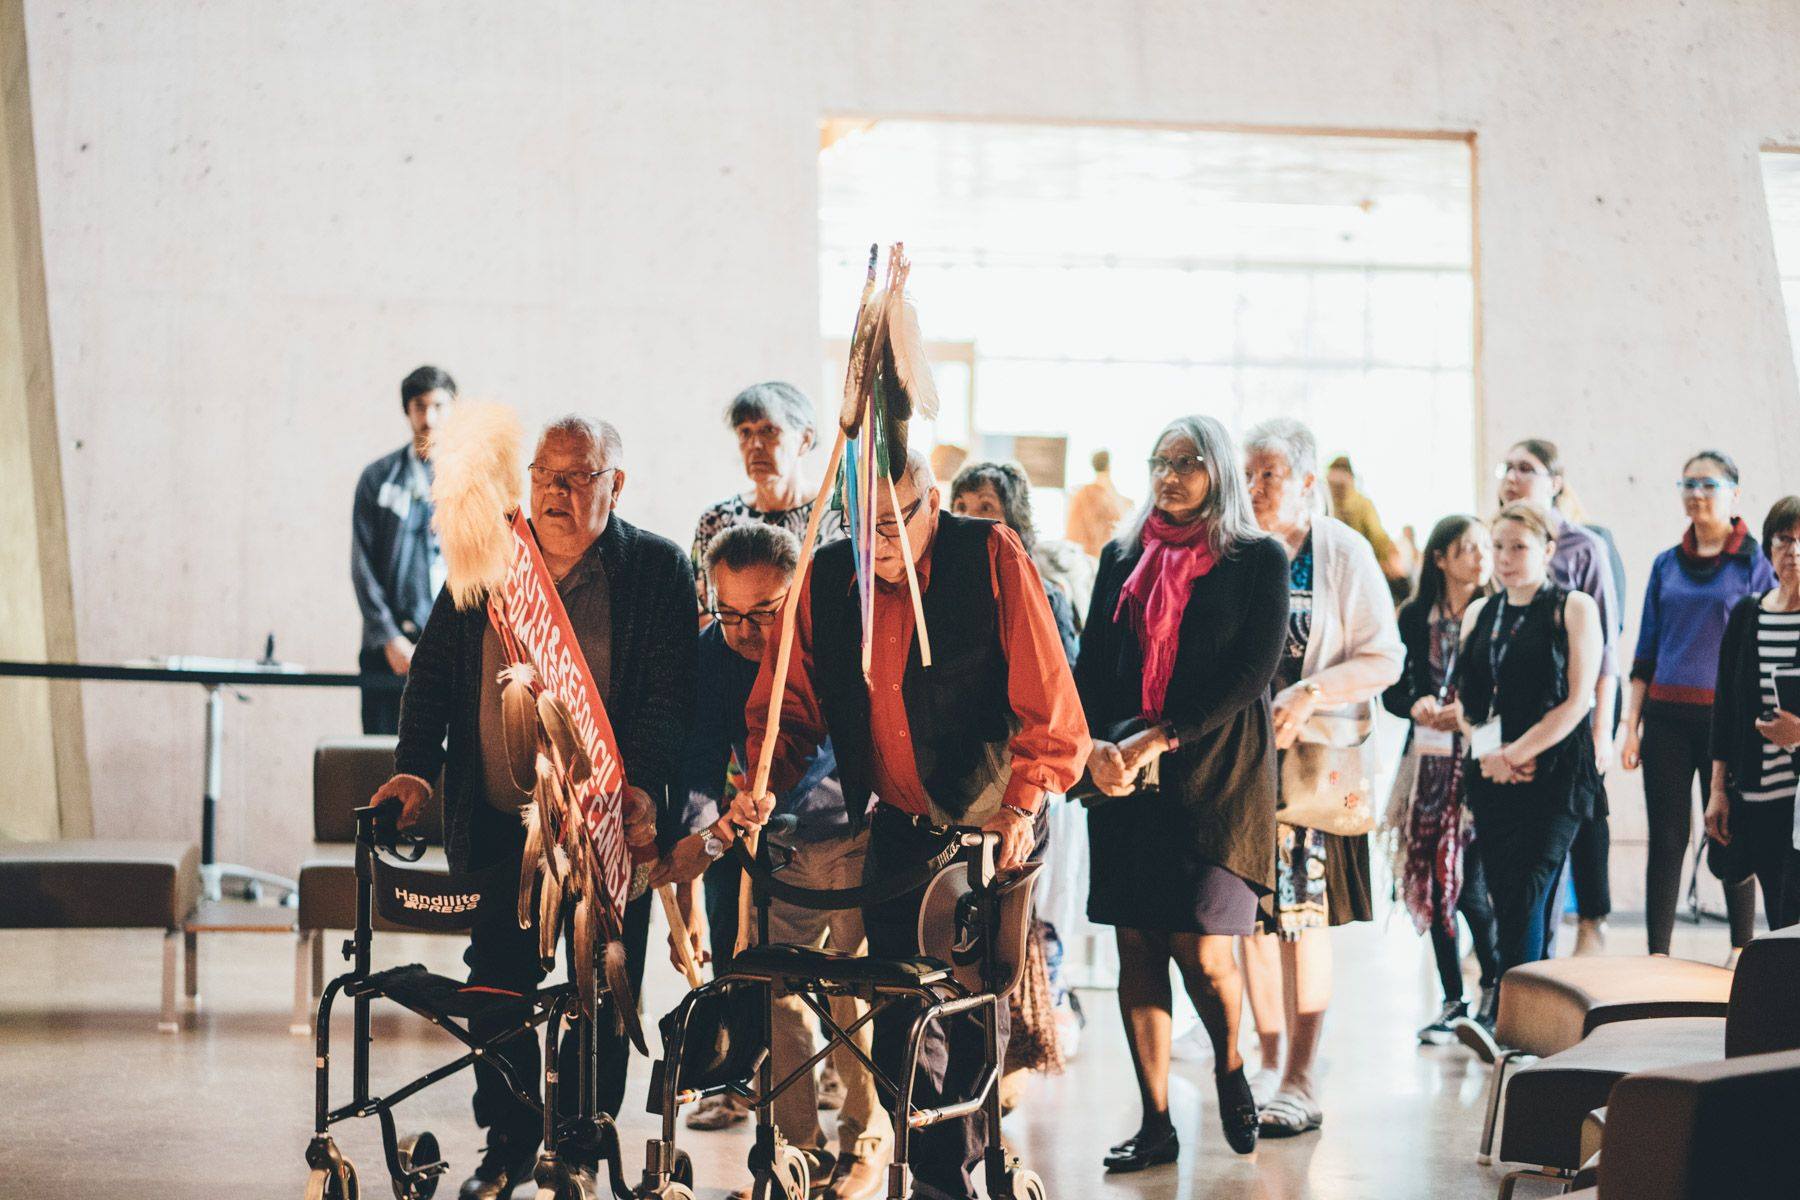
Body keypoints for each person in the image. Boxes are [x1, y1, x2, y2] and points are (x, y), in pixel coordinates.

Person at [740, 450, 1090, 1200]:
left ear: (932, 501)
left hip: (991, 824)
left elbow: (1054, 714)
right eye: (861, 527)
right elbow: (786, 710)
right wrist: (760, 784)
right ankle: (926, 1175)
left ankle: (951, 1179)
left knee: (966, 1019)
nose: (879, 544)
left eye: (896, 523)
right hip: (899, 826)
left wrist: (1021, 806)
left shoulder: (989, 555)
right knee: (902, 1015)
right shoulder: (831, 577)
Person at [371, 415, 698, 1200]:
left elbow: (668, 700)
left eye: (575, 477)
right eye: (544, 476)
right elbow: (433, 678)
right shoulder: (489, 558)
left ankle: (583, 1146)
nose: (553, 491)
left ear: (614, 485)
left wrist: (643, 788)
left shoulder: (656, 569)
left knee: (602, 980)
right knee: (498, 988)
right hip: (497, 823)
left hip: (606, 825)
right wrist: (416, 771)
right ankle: (509, 1143)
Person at [1077, 415, 1287, 1169]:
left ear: (1218, 470)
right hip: (1125, 777)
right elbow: (1095, 664)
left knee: (1201, 949)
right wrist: (1092, 747)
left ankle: (1230, 1064)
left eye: (1187, 461)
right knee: (1137, 942)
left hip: (1216, 773)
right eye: (1159, 461)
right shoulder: (1121, 554)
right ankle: (1156, 1120)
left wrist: (1163, 735)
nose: (1169, 475)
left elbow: (1252, 675)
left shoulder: (1258, 557)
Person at [673, 523, 891, 1200]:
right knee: (776, 997)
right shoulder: (708, 655)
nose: (745, 631)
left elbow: (832, 745)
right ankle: (797, 1149)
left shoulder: (825, 640)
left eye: (763, 613)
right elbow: (699, 759)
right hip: (767, 849)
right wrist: (702, 833)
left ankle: (866, 1138)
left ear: (793, 595)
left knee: (858, 993)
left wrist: (771, 786)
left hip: (850, 835)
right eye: (729, 612)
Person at [1238, 418, 1403, 1138]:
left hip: (1309, 771)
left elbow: (1385, 657)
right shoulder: (1235, 550)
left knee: (1301, 924)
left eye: (1268, 475)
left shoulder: (1340, 551)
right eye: (1246, 473)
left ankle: (1301, 1074)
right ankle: (1268, 1062)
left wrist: (1309, 693)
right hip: (1237, 770)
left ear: (1307, 482)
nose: (1253, 488)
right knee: (1244, 923)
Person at [1620, 450, 1776, 956]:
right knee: (1667, 839)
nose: (1697, 493)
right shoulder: (1666, 563)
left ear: (1734, 492)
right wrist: (1630, 726)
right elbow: (1645, 652)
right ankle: (1657, 956)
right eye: (1688, 483)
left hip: (1727, 721)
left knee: (1730, 832)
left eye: (1708, 484)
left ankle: (1741, 951)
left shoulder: (1756, 563)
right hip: (1665, 719)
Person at [1452, 504, 1604, 976]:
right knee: (1503, 895)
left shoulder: (1572, 607)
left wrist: (1518, 754)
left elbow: (1579, 700)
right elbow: (1465, 699)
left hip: (1554, 777)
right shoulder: (1481, 611)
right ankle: (1519, 1009)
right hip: (1493, 777)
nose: (1506, 557)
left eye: (1519, 547)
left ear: (1548, 550)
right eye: (1498, 546)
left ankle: (1514, 1019)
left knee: (1529, 893)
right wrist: (1491, 755)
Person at [1495, 438, 1622, 953]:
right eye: (1507, 467)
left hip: (1577, 703)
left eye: (1526, 468)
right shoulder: (1500, 539)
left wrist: (1601, 730)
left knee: (1584, 811)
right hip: (1519, 713)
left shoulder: (1584, 546)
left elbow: (1608, 648)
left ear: (1555, 481)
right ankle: (1522, 943)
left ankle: (1592, 922)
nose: (1512, 476)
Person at [1382, 516, 1502, 1039]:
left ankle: (1495, 986)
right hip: (1427, 767)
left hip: (1482, 760)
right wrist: (1416, 704)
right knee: (1433, 880)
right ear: (1440, 558)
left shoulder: (1499, 613)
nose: (1478, 558)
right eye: (1466, 549)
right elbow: (1389, 687)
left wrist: (1469, 716)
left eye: (1484, 548)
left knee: (1471, 886)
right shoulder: (1413, 617)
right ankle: (1453, 997)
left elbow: (1507, 691)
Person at [1705, 496, 1800, 937]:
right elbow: (1725, 709)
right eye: (1784, 540)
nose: (1793, 552)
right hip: (1754, 796)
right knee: (1776, 919)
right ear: (1768, 548)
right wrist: (1717, 791)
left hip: (1796, 804)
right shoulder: (1747, 615)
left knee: (1790, 919)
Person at [351, 365, 455, 733]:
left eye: (439, 406)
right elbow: (362, 566)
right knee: (383, 761)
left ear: (453, 409)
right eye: (420, 406)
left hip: (450, 647)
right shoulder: (378, 479)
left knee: (451, 765)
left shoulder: (472, 482)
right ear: (407, 411)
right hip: (388, 651)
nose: (429, 417)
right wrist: (389, 637)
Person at [691, 381, 846, 612]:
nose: (755, 444)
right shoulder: (717, 519)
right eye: (745, 432)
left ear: (805, 439)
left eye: (768, 430)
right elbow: (701, 610)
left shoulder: (838, 515)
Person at [949, 460, 1078, 664]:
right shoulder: (940, 591)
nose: (967, 518)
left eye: (986, 506)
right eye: (961, 506)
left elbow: (1062, 679)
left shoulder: (1046, 599)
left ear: (1014, 521)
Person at [1325, 455, 1410, 600]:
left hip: (1339, 568)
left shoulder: (1329, 503)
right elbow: (1377, 536)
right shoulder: (1362, 503)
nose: (1337, 488)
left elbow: (1377, 537)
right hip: (1354, 568)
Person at [1065, 448, 1133, 557]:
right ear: (1109, 465)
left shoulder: (1081, 494)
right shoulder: (1112, 497)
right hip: (1100, 555)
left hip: (1091, 555)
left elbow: (1072, 532)